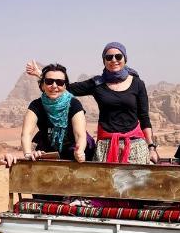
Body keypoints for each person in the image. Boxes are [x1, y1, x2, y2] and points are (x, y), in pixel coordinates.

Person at [27, 42, 158, 164]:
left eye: (118, 56)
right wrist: (41, 75)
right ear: (104, 60)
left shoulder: (137, 84)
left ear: (125, 58)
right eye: (109, 57)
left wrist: (151, 147)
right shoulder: (97, 83)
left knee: (137, 185)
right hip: (105, 145)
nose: (114, 60)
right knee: (105, 186)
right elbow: (66, 87)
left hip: (135, 144)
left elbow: (144, 117)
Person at [21, 62, 94, 161]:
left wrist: (80, 151)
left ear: (65, 86)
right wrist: (27, 154)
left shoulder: (74, 104)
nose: (54, 86)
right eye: (49, 81)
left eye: (59, 82)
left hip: (74, 148)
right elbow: (26, 134)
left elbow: (79, 135)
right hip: (49, 149)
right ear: (42, 85)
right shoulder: (36, 105)